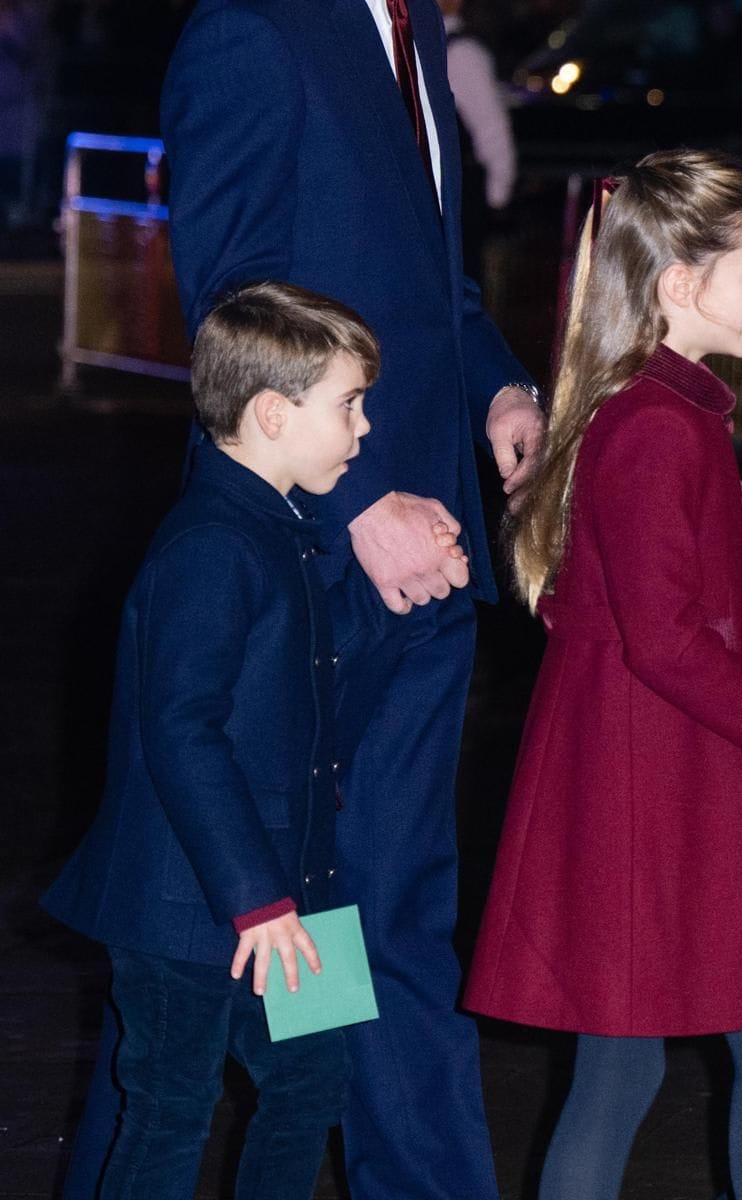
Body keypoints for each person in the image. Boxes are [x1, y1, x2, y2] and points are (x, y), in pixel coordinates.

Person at [89, 4, 544, 1199]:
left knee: (375, 917)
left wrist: (496, 389)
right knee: (236, 931)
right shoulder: (252, 28)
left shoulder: (414, 30)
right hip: (311, 557)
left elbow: (424, 279)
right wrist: (358, 505)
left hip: (426, 553)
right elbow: (234, 309)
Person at [464, 149, 742, 1200]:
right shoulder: (656, 426)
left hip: (651, 772)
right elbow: (663, 637)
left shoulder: (654, 410)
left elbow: (658, 612)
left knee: (631, 1065)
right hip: (653, 785)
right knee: (720, 1056)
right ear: (680, 286)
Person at [42, 282, 377, 1199]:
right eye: (348, 405)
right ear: (273, 414)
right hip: (192, 902)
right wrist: (256, 901)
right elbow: (182, 731)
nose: (364, 429)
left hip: (294, 890)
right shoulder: (212, 545)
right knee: (169, 1106)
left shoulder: (281, 526)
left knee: (316, 1085)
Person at [437, 0, 517, 279]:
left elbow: (492, 130)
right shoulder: (421, 46)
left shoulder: (461, 53)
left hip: (462, 199)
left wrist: (495, 199)